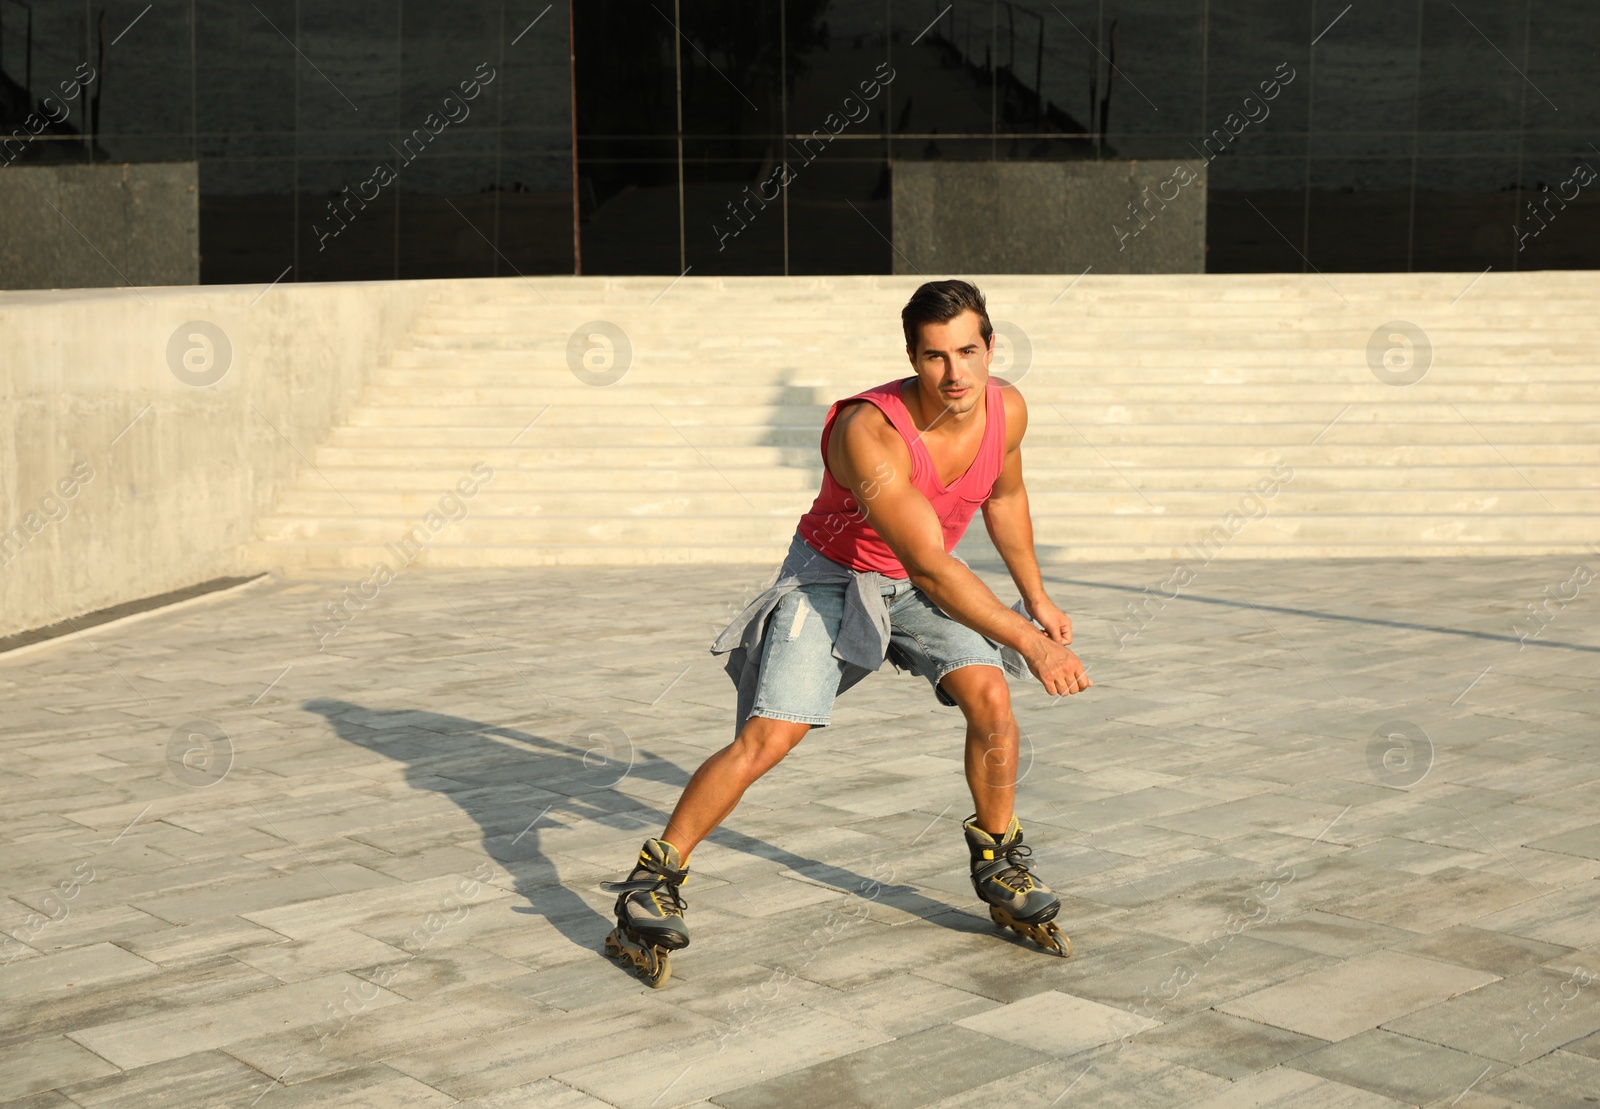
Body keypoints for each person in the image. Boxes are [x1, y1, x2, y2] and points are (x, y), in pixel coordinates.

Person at [602, 279, 1092, 987]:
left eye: (967, 351)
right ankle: (654, 878)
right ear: (910, 357)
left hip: (922, 583)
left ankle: (1000, 862)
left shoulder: (1005, 409)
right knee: (771, 737)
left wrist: (1038, 597)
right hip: (833, 578)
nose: (954, 374)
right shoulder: (870, 431)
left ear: (991, 347)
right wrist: (1032, 641)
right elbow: (929, 564)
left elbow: (1006, 496)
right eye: (934, 357)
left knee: (991, 697)